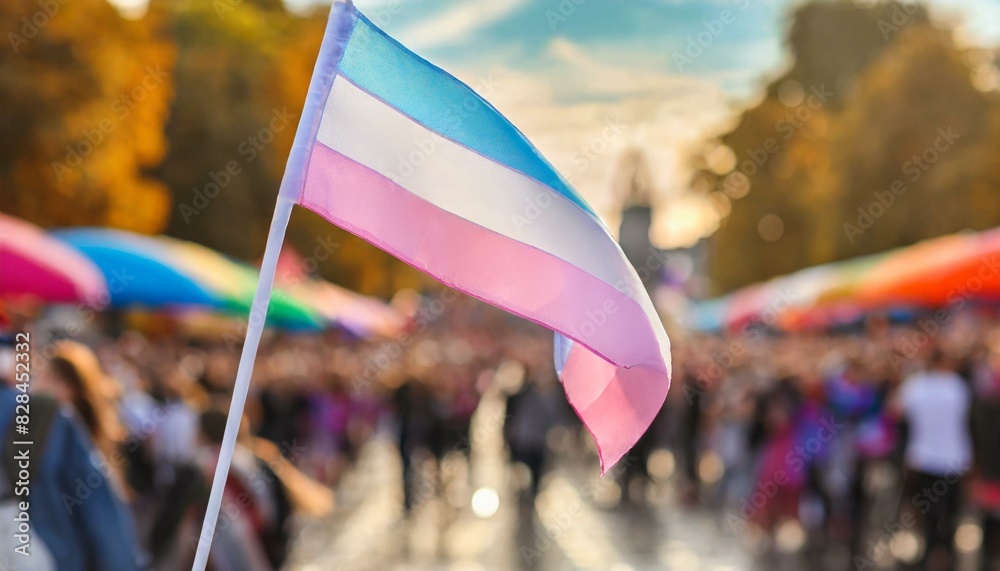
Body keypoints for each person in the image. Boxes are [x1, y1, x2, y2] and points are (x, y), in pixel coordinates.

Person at [0, 334, 144, 570]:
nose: (37, 382)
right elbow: (102, 519)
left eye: (46, 376)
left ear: (70, 387)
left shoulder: (53, 420)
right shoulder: (53, 419)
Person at [896, 349, 972, 570]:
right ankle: (946, 553)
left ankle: (930, 551)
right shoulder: (957, 386)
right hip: (953, 458)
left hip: (924, 458)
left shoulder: (916, 385)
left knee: (927, 512)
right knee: (950, 511)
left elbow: (897, 411)